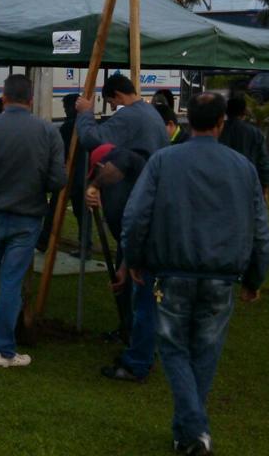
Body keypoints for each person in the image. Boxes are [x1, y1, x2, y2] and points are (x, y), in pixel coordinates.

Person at [121, 92, 269, 456]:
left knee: (174, 348)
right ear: (221, 123)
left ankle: (192, 430)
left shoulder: (164, 161)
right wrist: (255, 276)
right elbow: (260, 229)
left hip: (173, 271)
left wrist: (135, 258)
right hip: (221, 275)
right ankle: (189, 432)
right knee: (204, 351)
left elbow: (135, 216)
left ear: (189, 122)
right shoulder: (243, 167)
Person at [0, 74, 66, 367]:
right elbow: (58, 179)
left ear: (4, 98)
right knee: (11, 282)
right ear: (31, 100)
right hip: (26, 216)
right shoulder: (48, 132)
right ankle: (3, 349)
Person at [84, 143, 155, 382]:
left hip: (144, 245)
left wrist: (94, 185)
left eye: (99, 173)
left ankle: (139, 356)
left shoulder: (128, 160)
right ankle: (130, 337)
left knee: (143, 302)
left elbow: (124, 157)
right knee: (126, 292)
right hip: (130, 244)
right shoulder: (116, 185)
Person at [76, 74, 168, 157]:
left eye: (110, 102)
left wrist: (85, 112)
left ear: (118, 95)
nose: (112, 108)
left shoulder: (128, 115)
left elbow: (91, 139)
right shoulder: (151, 110)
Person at [39, 94, 86, 252]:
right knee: (82, 213)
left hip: (69, 173)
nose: (65, 111)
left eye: (66, 108)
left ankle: (45, 240)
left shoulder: (69, 127)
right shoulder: (86, 124)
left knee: (55, 209)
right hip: (82, 174)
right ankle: (85, 246)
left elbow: (60, 151)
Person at [219, 96, 269, 195]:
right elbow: (263, 162)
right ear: (244, 112)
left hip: (222, 182)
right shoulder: (255, 133)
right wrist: (265, 187)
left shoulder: (219, 131)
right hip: (247, 182)